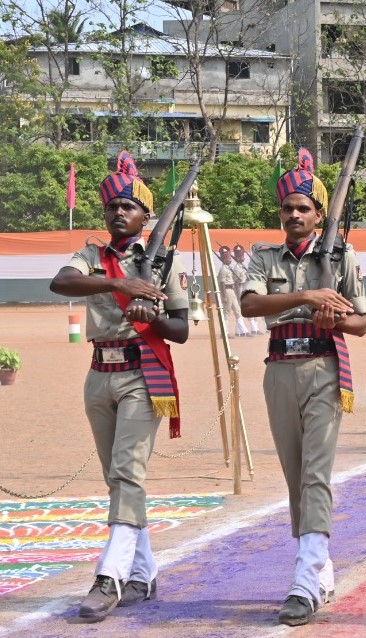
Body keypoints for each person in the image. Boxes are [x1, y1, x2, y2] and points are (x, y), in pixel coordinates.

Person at [49, 151, 189, 623]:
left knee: (128, 475)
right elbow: (62, 281)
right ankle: (143, 572)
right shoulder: (92, 255)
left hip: (142, 373)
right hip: (98, 374)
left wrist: (154, 315)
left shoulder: (164, 262)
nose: (118, 213)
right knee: (117, 480)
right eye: (112, 207)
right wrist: (122, 285)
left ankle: (108, 577)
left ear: (146, 216)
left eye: (128, 207)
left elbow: (182, 329)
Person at [240, 148, 366, 627]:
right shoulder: (263, 255)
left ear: (318, 215)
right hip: (278, 367)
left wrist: (333, 318)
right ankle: (320, 564)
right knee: (295, 475)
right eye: (287, 208)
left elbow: (360, 322)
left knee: (316, 472)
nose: (294, 215)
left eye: (303, 208)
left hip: (322, 368)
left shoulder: (341, 255)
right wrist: (306, 296)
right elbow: (250, 305)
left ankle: (304, 578)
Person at [216, 247, 247, 338]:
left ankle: (242, 330)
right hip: (227, 290)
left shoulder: (229, 268)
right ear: (223, 259)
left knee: (237, 310)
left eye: (230, 258)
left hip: (232, 290)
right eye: (228, 258)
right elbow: (222, 283)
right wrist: (224, 296)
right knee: (226, 312)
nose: (230, 259)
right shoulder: (223, 269)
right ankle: (224, 332)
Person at [232, 244, 263, 336]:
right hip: (241, 288)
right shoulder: (236, 268)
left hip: (247, 286)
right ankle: (253, 328)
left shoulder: (243, 266)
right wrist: (239, 294)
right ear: (237, 258)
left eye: (243, 255)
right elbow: (236, 283)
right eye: (241, 256)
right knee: (244, 308)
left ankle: (240, 330)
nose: (243, 257)